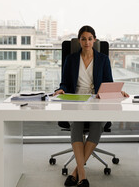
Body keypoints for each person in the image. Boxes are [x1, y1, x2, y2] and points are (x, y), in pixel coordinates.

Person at [54, 25, 129, 187]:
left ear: (94, 40)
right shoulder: (71, 59)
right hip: (76, 100)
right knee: (76, 127)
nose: (87, 42)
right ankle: (83, 176)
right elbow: (65, 83)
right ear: (79, 41)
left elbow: (108, 83)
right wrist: (61, 90)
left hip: (97, 101)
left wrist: (118, 92)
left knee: (97, 126)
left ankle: (76, 173)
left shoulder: (102, 59)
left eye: (89, 39)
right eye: (83, 39)